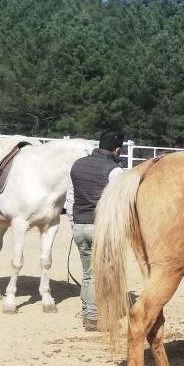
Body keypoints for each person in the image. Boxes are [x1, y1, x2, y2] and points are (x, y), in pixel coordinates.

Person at [67, 129, 126, 331]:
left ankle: (87, 311)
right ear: (117, 149)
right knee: (98, 274)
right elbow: (119, 204)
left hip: (78, 226)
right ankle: (93, 318)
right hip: (100, 228)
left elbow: (70, 198)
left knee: (87, 273)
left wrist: (74, 222)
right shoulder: (114, 170)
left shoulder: (77, 165)